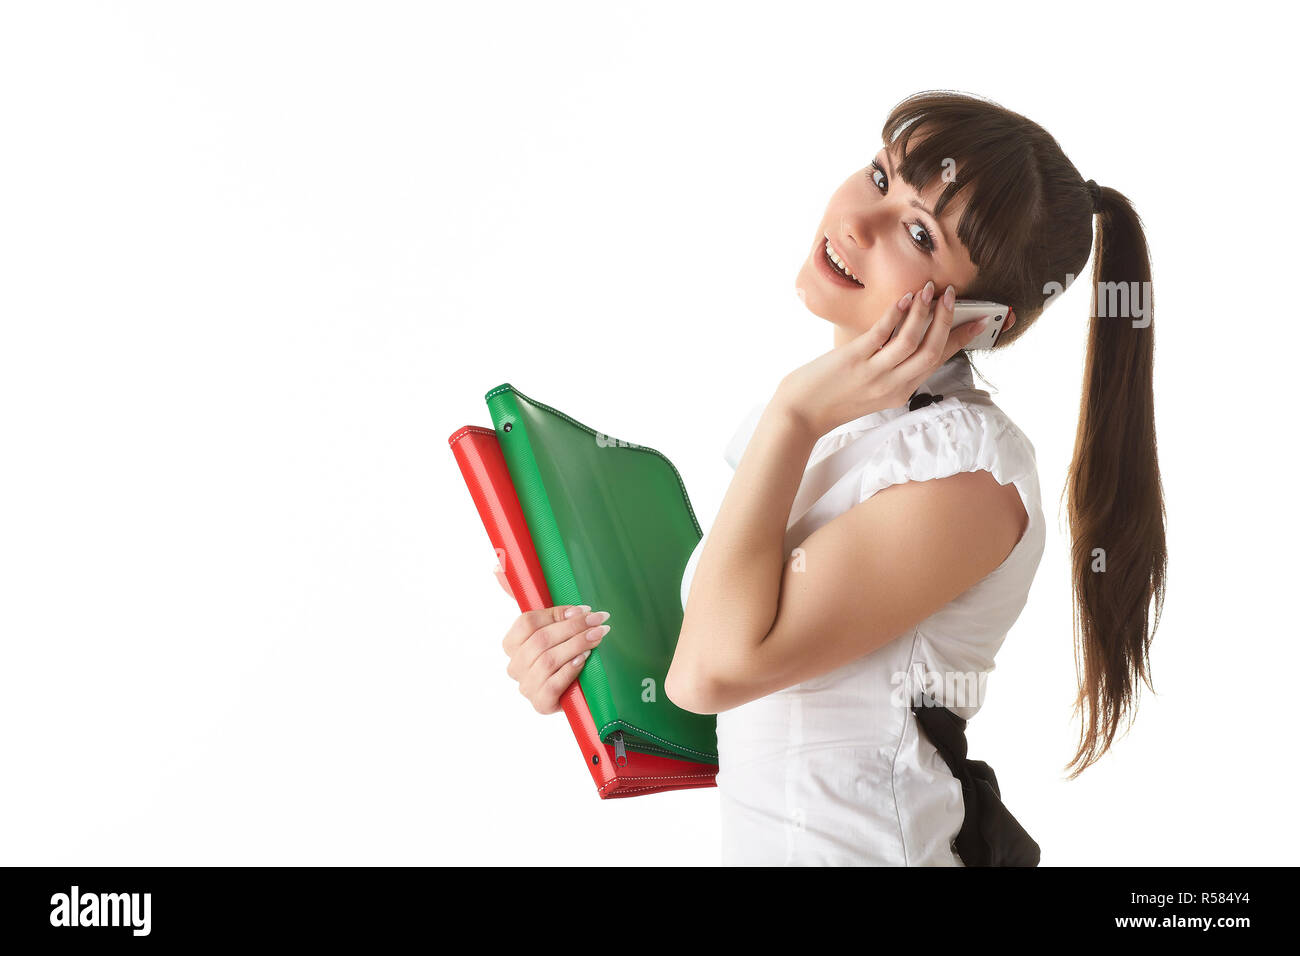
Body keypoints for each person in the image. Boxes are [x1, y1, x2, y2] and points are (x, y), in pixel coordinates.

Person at [496, 90, 1167, 865]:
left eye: (919, 234)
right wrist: (585, 663)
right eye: (881, 178)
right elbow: (710, 674)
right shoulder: (835, 425)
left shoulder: (967, 472)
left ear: (979, 322)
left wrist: (793, 414)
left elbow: (712, 675)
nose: (857, 224)